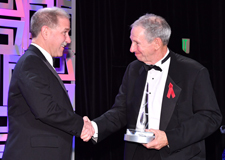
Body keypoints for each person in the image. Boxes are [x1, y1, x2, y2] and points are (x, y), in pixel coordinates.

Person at [81, 13, 222, 160]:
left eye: (136, 43)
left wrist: (168, 138)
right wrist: (95, 127)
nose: (131, 49)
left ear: (156, 43)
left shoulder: (193, 72)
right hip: (137, 154)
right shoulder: (133, 69)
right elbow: (121, 111)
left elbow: (210, 117)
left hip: (178, 154)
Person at [2, 7, 94, 160]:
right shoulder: (31, 62)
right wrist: (81, 125)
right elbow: (46, 109)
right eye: (64, 32)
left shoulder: (37, 62)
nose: (69, 39)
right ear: (45, 32)